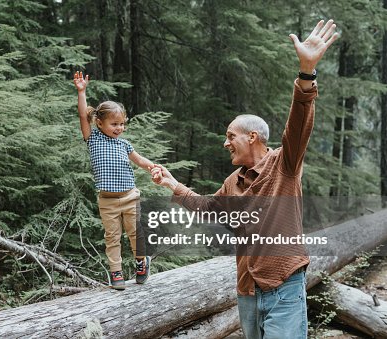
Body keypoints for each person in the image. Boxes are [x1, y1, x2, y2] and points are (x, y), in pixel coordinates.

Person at [151, 20, 339, 338]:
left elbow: (298, 125)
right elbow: (208, 207)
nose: (225, 143)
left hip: (284, 288)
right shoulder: (233, 183)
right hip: (247, 292)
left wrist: (306, 73)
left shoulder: (285, 164)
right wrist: (173, 184)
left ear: (252, 137)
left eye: (230, 136)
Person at [74, 71, 153, 290]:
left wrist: (153, 167)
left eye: (122, 124)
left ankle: (141, 264)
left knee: (135, 233)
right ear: (99, 123)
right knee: (112, 237)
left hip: (129, 196)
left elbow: (140, 161)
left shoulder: (123, 144)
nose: (119, 128)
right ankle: (116, 272)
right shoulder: (93, 139)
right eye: (114, 124)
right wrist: (82, 91)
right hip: (107, 201)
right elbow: (83, 115)